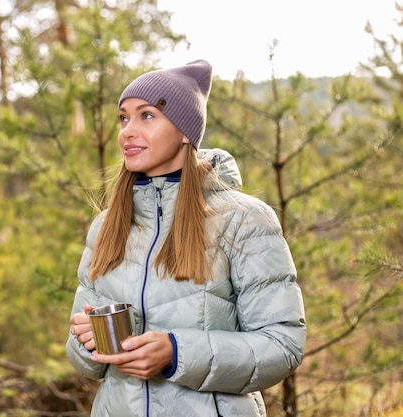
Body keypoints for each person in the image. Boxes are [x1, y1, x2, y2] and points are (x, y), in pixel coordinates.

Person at [66, 59, 306, 416]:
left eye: (146, 116)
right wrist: (87, 341)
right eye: (123, 117)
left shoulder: (243, 220)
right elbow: (84, 361)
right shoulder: (106, 226)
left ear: (184, 131)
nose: (127, 131)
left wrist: (176, 353)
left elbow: (282, 344)